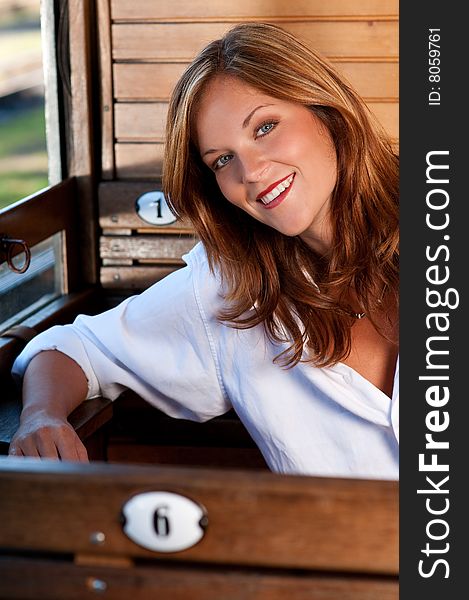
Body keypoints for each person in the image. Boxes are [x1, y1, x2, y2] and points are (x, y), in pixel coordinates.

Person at [9, 23, 399, 479]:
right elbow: (74, 349)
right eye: (222, 160)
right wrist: (42, 415)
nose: (250, 172)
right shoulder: (230, 292)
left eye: (265, 127)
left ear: (325, 109)